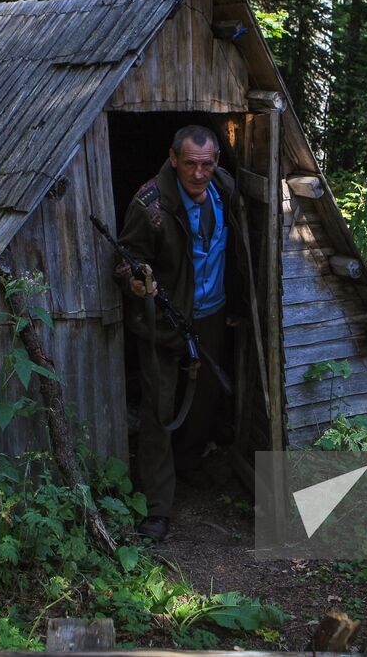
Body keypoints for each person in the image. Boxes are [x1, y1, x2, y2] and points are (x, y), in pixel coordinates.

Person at [115, 125, 254, 541]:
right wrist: (136, 281)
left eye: (207, 164)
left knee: (205, 398)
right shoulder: (150, 204)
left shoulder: (224, 188)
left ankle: (188, 466)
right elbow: (125, 260)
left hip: (211, 315)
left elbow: (237, 246)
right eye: (191, 164)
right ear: (174, 159)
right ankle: (157, 506)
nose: (199, 173)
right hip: (163, 321)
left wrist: (237, 304)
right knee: (160, 409)